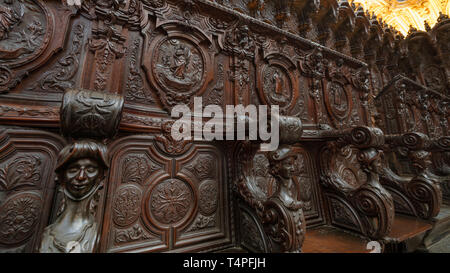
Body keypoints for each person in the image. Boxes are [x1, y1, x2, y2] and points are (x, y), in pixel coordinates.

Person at [39, 140, 109, 253]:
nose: (81, 176)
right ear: (61, 176)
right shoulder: (47, 233)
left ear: (100, 177)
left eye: (90, 170)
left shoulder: (95, 230)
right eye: (73, 170)